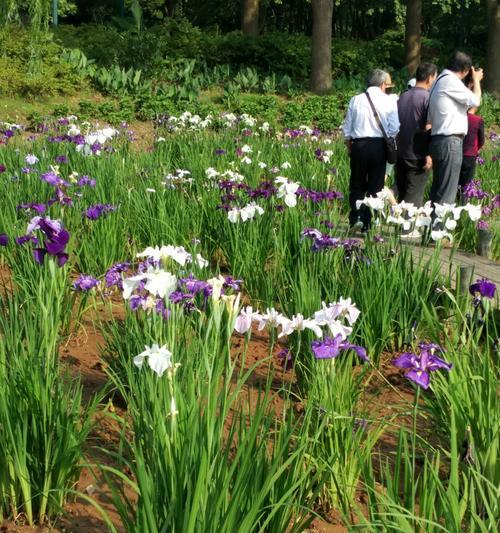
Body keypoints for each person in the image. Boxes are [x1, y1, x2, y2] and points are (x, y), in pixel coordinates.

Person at [343, 69, 399, 231]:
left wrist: (349, 146)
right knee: (375, 186)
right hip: (379, 146)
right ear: (383, 84)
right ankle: (369, 223)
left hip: (359, 145)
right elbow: (395, 127)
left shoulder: (356, 99)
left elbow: (347, 127)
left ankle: (356, 217)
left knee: (357, 183)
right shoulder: (389, 101)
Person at [427, 51, 483, 206]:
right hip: (450, 141)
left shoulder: (438, 81)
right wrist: (476, 81)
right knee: (447, 194)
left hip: (438, 139)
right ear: (465, 70)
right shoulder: (451, 81)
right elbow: (475, 100)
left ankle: (431, 228)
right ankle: (440, 229)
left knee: (439, 189)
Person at [396, 63, 438, 208]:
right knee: (413, 199)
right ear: (430, 78)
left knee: (402, 195)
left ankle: (399, 228)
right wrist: (429, 153)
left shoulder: (403, 96)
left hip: (401, 152)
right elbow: (428, 126)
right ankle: (407, 231)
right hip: (418, 154)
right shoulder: (428, 98)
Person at [459, 106, 485, 196]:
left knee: (454, 183)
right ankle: (462, 205)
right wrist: (475, 150)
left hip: (456, 152)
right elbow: (482, 141)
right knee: (466, 185)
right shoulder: (478, 120)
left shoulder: (458, 117)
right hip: (470, 155)